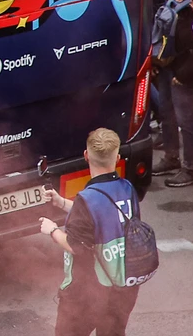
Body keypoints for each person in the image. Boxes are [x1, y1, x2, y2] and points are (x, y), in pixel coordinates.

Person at [40, 128, 143, 335]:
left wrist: (52, 230)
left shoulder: (86, 199)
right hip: (122, 287)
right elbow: (103, 216)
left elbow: (76, 245)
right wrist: (61, 203)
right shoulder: (127, 189)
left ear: (86, 156)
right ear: (118, 157)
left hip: (87, 293)